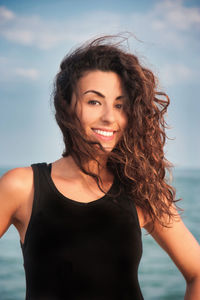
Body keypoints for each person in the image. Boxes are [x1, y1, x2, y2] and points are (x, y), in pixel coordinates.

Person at [0, 35, 200, 300]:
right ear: (66, 105)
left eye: (119, 105)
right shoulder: (22, 187)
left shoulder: (139, 190)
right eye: (94, 101)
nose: (109, 117)